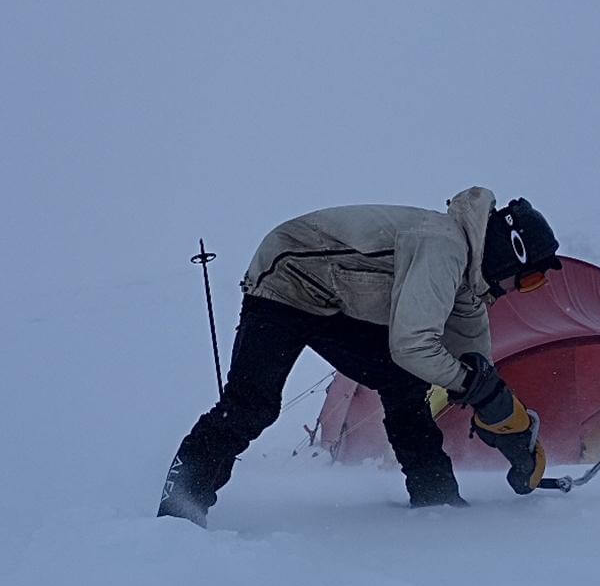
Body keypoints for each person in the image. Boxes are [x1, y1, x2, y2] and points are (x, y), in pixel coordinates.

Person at [157, 187, 562, 527]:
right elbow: (414, 346)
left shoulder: (468, 286)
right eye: (529, 279)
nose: (522, 288)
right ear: (512, 252)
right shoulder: (443, 246)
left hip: (335, 303)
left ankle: (436, 499)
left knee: (404, 382)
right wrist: (472, 385)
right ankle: (180, 509)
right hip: (283, 283)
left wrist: (510, 427)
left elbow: (477, 367)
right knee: (253, 403)